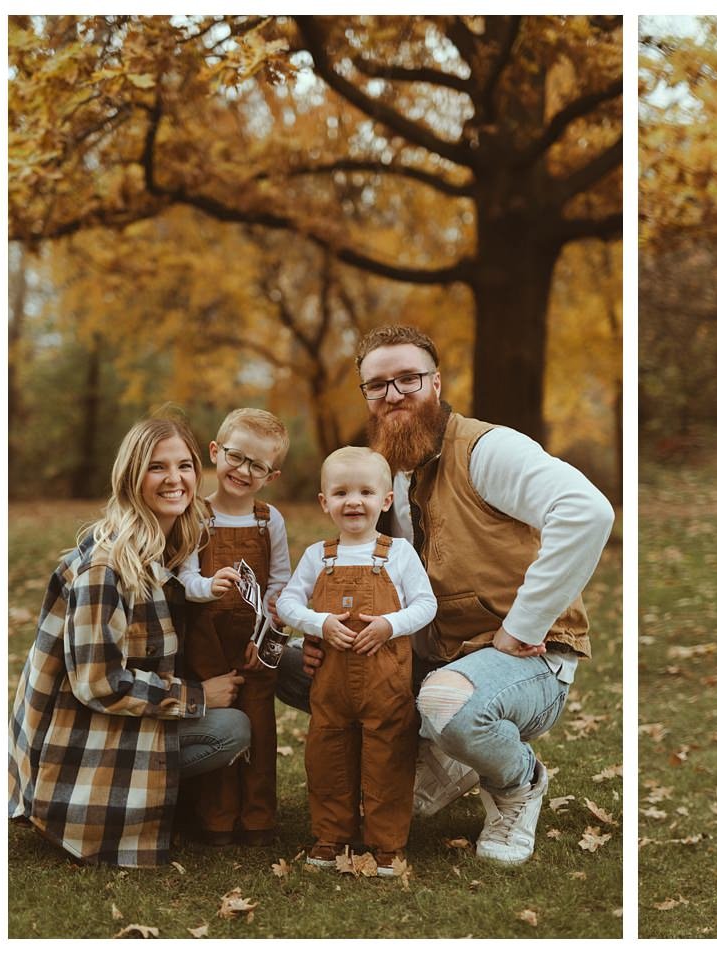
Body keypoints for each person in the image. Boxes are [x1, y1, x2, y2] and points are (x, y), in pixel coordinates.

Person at [283, 325, 614, 866]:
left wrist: (524, 625)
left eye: (407, 379)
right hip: (430, 653)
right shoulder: (380, 470)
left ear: (435, 383)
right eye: (377, 385)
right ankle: (439, 751)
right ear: (366, 395)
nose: (393, 395)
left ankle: (518, 784)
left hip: (522, 657)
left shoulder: (488, 449)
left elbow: (587, 512)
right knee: (295, 669)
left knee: (446, 702)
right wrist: (322, 632)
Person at [8, 416, 250, 867]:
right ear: (131, 476)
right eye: (157, 467)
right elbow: (99, 684)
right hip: (77, 745)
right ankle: (105, 809)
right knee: (229, 730)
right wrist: (197, 696)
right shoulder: (108, 568)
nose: (175, 479)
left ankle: (166, 802)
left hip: (104, 721)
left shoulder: (163, 548)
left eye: (185, 466)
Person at [276, 447, 437, 875]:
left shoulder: (398, 553)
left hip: (386, 683)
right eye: (341, 492)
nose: (354, 501)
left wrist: (390, 625)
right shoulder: (318, 555)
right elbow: (288, 604)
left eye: (366, 491)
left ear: (385, 500)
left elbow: (426, 605)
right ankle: (330, 837)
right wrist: (319, 622)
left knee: (387, 760)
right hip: (329, 686)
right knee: (328, 758)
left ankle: (387, 843)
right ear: (324, 501)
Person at [176, 407, 293, 846]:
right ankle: (217, 820)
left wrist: (266, 637)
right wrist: (210, 585)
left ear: (271, 474)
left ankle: (259, 819)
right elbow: (185, 581)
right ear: (214, 451)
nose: (243, 471)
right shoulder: (196, 515)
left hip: (253, 645)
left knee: (260, 728)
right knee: (221, 718)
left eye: (257, 465)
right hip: (207, 643)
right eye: (236, 457)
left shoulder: (269, 520)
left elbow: (280, 584)